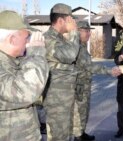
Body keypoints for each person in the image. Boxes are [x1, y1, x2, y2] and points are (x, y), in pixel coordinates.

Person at [0, 10, 49, 140]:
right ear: (12, 39)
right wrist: (36, 54)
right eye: (26, 37)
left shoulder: (13, 59)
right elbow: (27, 92)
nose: (28, 42)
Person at [43, 3, 80, 140]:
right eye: (71, 20)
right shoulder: (48, 39)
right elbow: (70, 55)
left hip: (64, 98)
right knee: (59, 136)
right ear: (60, 20)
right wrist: (74, 33)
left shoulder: (60, 39)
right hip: (56, 100)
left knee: (66, 134)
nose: (73, 24)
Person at [73, 21, 112, 141]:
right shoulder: (76, 47)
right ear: (78, 31)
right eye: (86, 31)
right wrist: (110, 71)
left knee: (84, 111)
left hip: (84, 86)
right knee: (78, 113)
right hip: (78, 87)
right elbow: (90, 66)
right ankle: (77, 136)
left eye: (89, 31)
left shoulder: (83, 46)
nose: (89, 33)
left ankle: (81, 133)